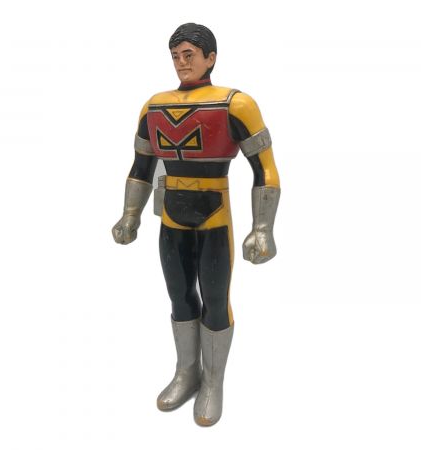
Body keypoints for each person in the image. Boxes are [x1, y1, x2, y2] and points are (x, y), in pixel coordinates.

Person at [112, 23, 280, 426]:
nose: (181, 62)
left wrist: (263, 227)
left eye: (189, 54)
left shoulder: (236, 104)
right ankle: (187, 372)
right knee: (180, 297)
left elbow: (265, 168)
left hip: (214, 217)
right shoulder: (154, 107)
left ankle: (213, 382)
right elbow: (141, 166)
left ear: (211, 58)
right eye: (175, 55)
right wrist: (131, 213)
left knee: (216, 300)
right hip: (171, 217)